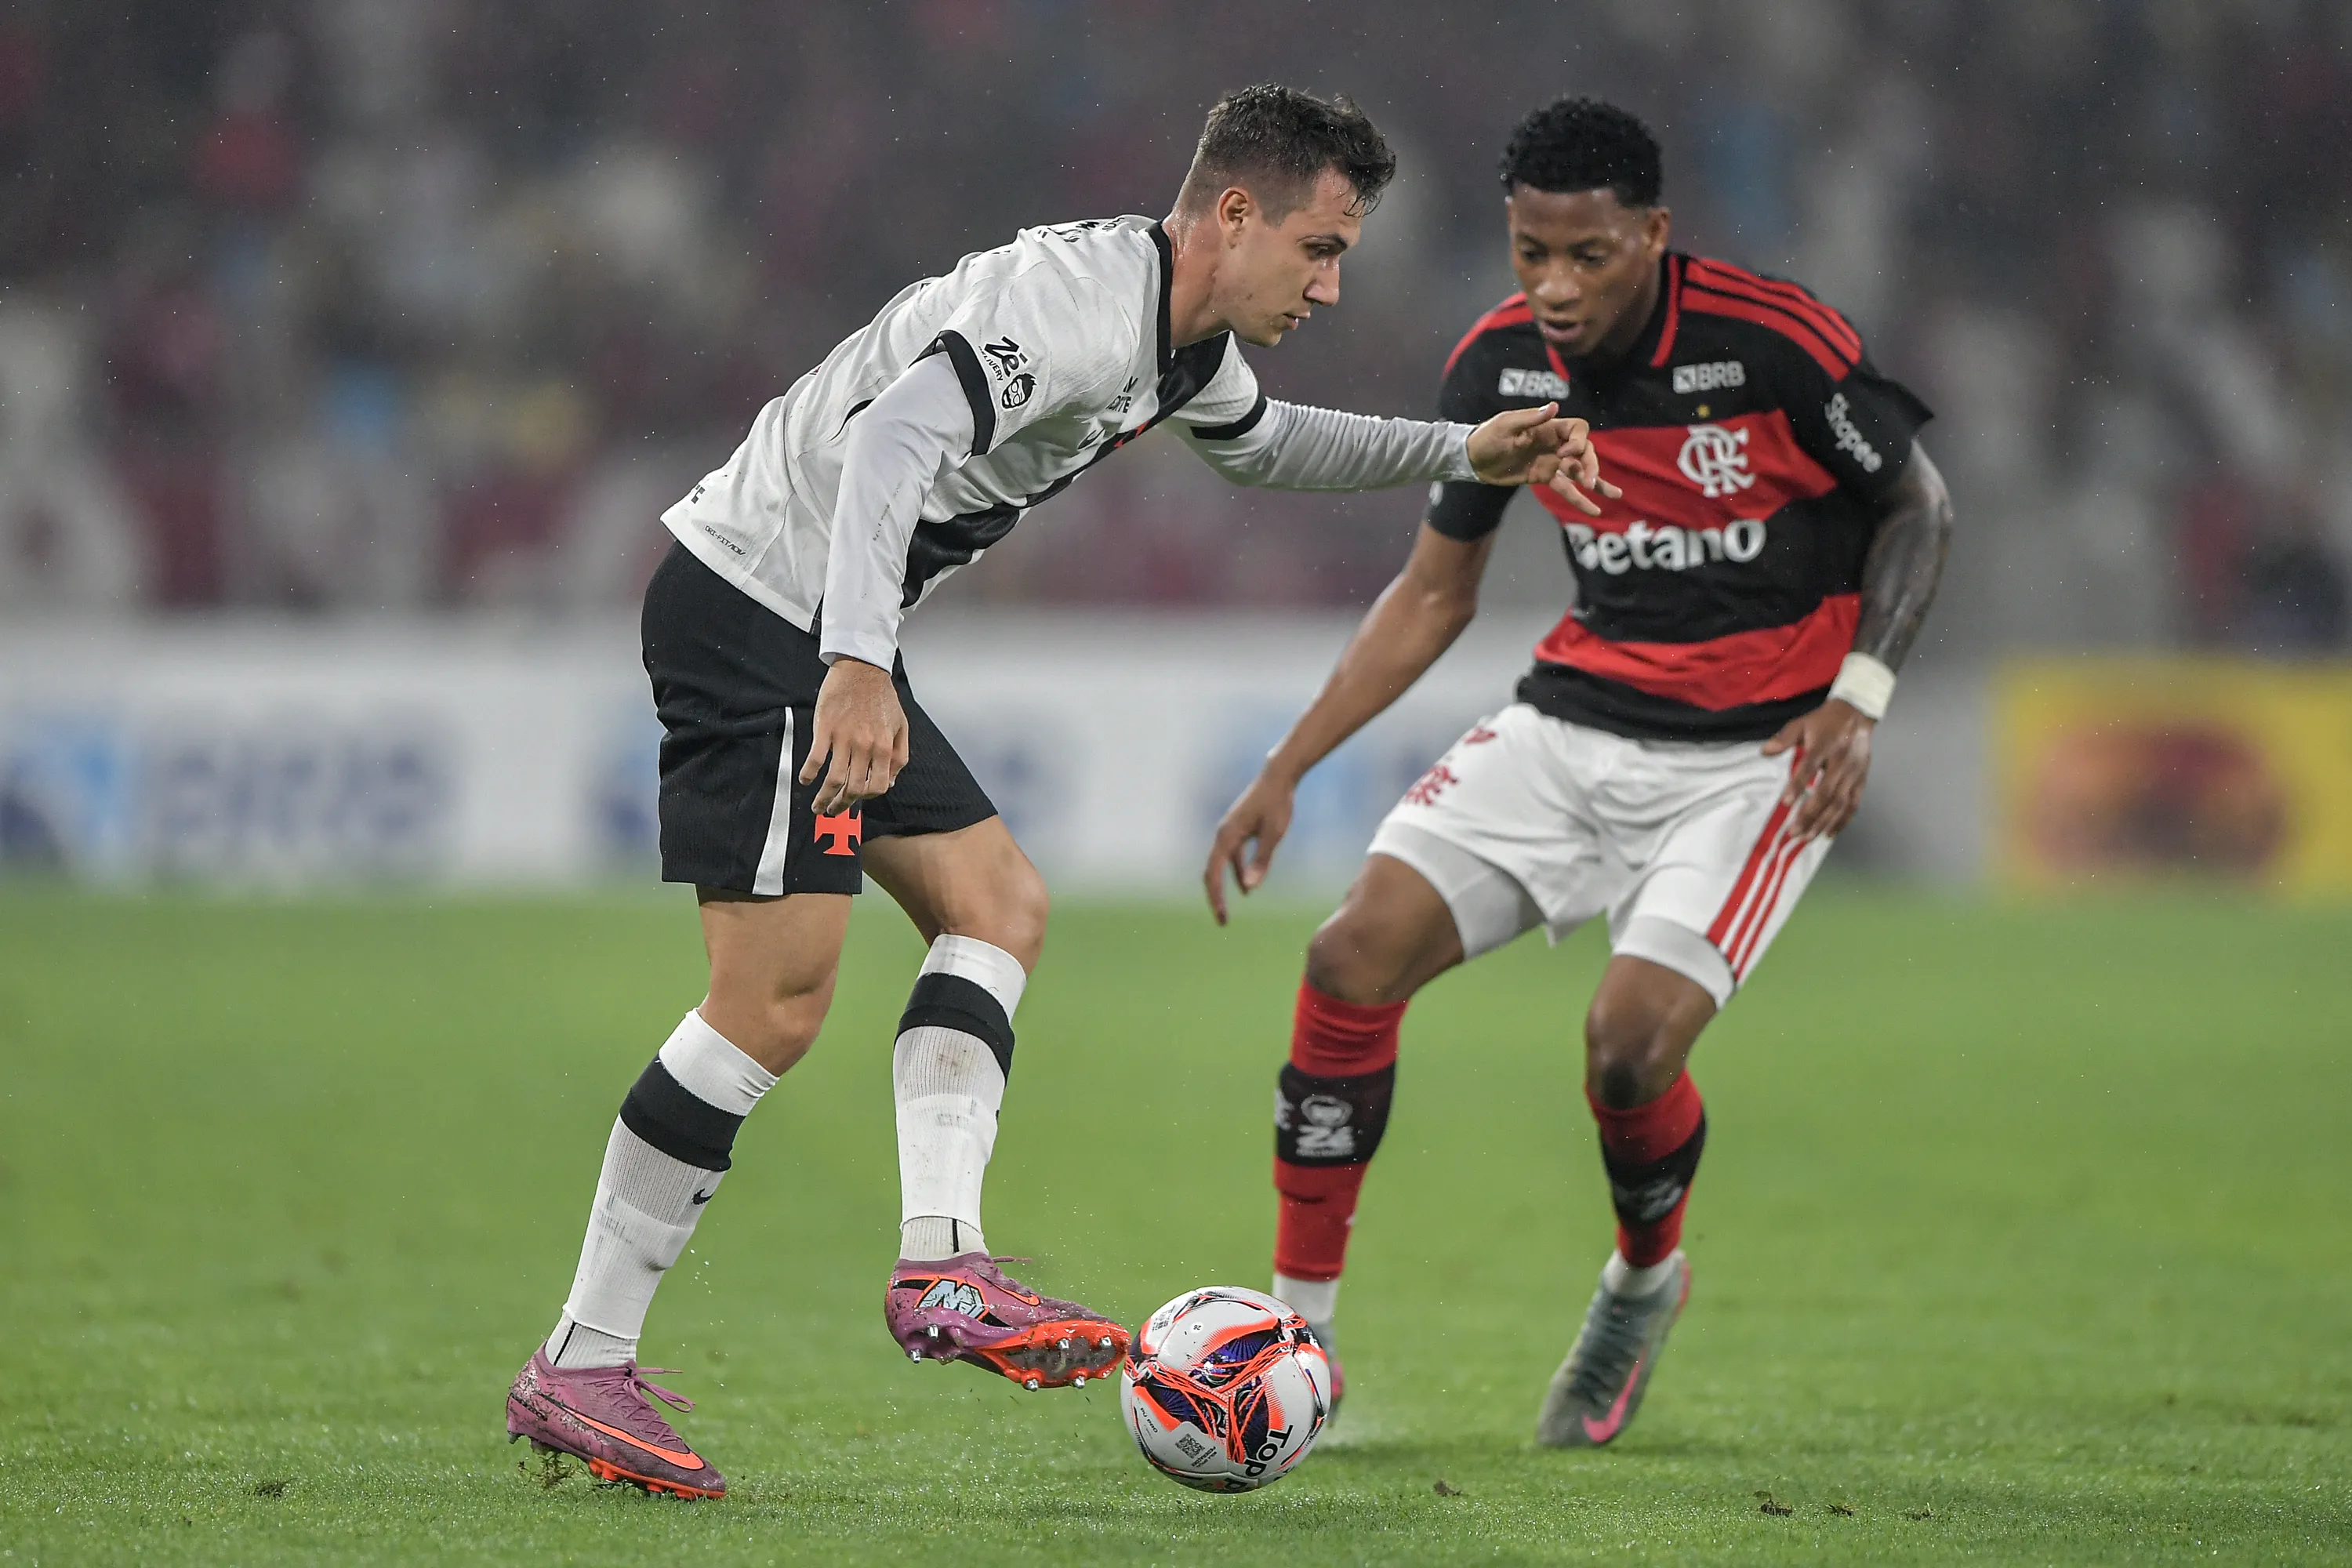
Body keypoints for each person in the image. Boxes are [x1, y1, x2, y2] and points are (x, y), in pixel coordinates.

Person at [505, 83, 1612, 1498]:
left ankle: (941, 1268)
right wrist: (856, 662)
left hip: (819, 627)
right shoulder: (1076, 310)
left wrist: (1463, 449)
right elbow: (898, 436)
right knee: (771, 1003)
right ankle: (583, 1359)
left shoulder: (1177, 343)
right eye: (1320, 249)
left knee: (998, 908)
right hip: (762, 614)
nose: (1332, 286)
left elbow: (1276, 445)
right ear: (1234, 214)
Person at [1203, 96, 1953, 1450]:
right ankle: (1297, 1340)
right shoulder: (1500, 366)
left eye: (1587, 257)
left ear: (1653, 235)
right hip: (1572, 725)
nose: (1553, 286)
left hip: (1753, 761)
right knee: (1348, 957)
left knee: (1627, 1048)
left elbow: (1919, 505)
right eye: (1529, 253)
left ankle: (1642, 1282)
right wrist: (1288, 765)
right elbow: (1434, 595)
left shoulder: (1772, 343)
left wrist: (1862, 695)